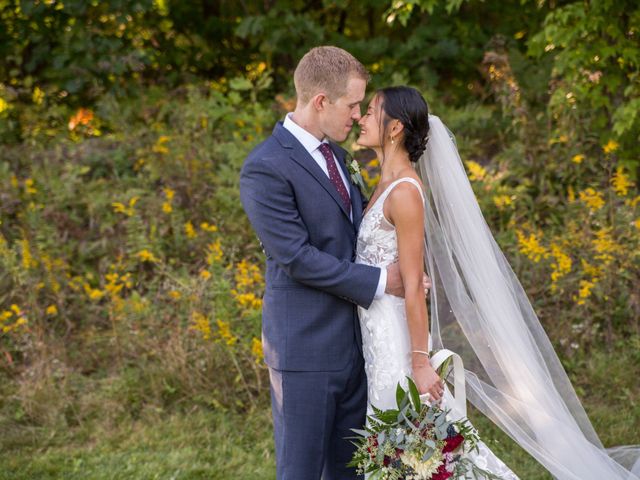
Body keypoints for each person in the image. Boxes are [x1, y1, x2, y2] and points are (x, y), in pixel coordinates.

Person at [355, 85, 640, 479]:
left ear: (394, 129)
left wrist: (419, 361)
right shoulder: (381, 186)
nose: (360, 117)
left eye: (370, 111)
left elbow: (413, 292)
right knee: (408, 452)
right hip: (374, 336)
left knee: (413, 447)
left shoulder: (405, 192)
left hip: (396, 342)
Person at [239, 46, 425, 479]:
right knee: (301, 470)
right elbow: (297, 258)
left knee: (353, 470)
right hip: (304, 349)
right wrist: (384, 280)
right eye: (353, 104)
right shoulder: (265, 168)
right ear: (321, 101)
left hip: (359, 346)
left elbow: (363, 236)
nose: (359, 115)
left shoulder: (340, 159)